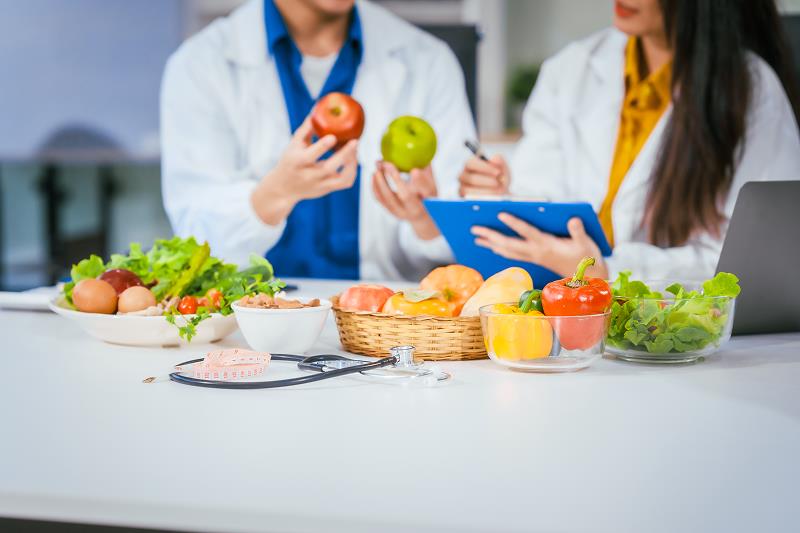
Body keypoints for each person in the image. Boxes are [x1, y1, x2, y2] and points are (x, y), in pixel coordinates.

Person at [460, 0, 800, 280]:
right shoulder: (571, 69)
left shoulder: (749, 90)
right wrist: (501, 195)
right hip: (570, 317)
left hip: (675, 340)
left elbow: (748, 264)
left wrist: (610, 270)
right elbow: (545, 200)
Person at [161, 0, 474, 280]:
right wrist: (272, 196)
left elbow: (457, 244)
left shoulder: (428, 61)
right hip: (248, 325)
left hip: (383, 323)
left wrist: (423, 220)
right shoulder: (200, 64)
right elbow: (196, 230)